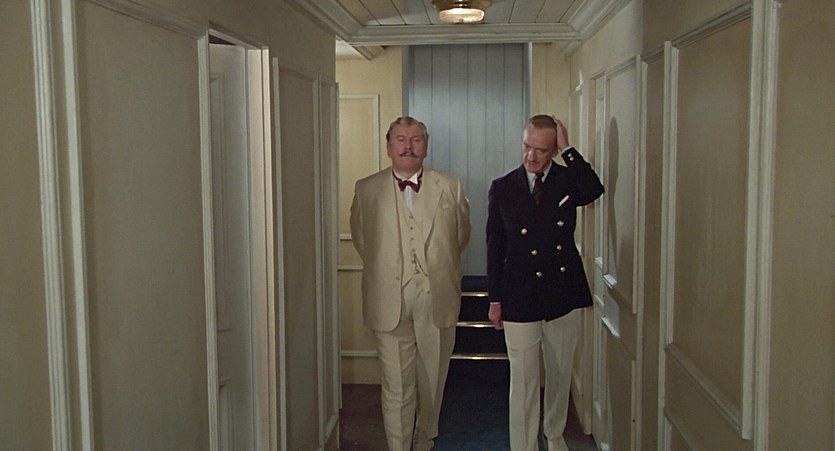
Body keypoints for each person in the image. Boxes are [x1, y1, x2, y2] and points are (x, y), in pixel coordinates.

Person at [350, 116, 471, 451]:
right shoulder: (366, 188)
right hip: (388, 297)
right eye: (401, 140)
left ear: (426, 146)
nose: (408, 146)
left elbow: (460, 236)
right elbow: (363, 240)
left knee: (432, 380)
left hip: (437, 295)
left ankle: (425, 436)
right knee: (396, 386)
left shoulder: (450, 186)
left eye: (416, 139)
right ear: (389, 146)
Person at [486, 114, 604, 451]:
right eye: (527, 146)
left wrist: (568, 148)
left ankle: (554, 434)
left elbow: (593, 189)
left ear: (552, 151)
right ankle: (523, 446)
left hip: (562, 290)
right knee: (523, 380)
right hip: (518, 292)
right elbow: (495, 246)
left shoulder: (567, 180)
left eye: (541, 150)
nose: (531, 156)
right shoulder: (503, 186)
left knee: (560, 372)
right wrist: (495, 300)